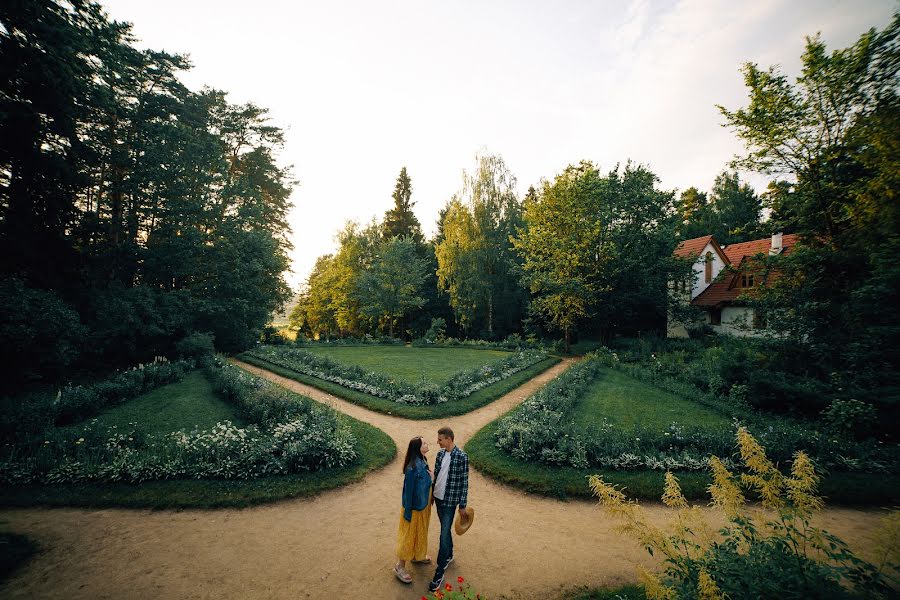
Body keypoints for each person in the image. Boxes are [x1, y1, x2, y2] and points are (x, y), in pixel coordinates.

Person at [428, 426, 469, 593]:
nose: (437, 442)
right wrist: (431, 494)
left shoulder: (462, 457)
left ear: (449, 439)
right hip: (438, 498)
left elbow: (464, 483)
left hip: (450, 501)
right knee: (445, 530)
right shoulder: (439, 454)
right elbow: (436, 475)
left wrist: (463, 505)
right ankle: (449, 554)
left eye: (440, 439)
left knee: (444, 532)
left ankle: (439, 572)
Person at [394, 436, 433, 584]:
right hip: (414, 509)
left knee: (420, 532)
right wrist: (408, 513)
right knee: (409, 536)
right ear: (418, 448)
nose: (427, 443)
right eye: (424, 443)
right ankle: (400, 566)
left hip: (423, 506)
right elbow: (408, 492)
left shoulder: (423, 461)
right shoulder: (412, 468)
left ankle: (417, 555)